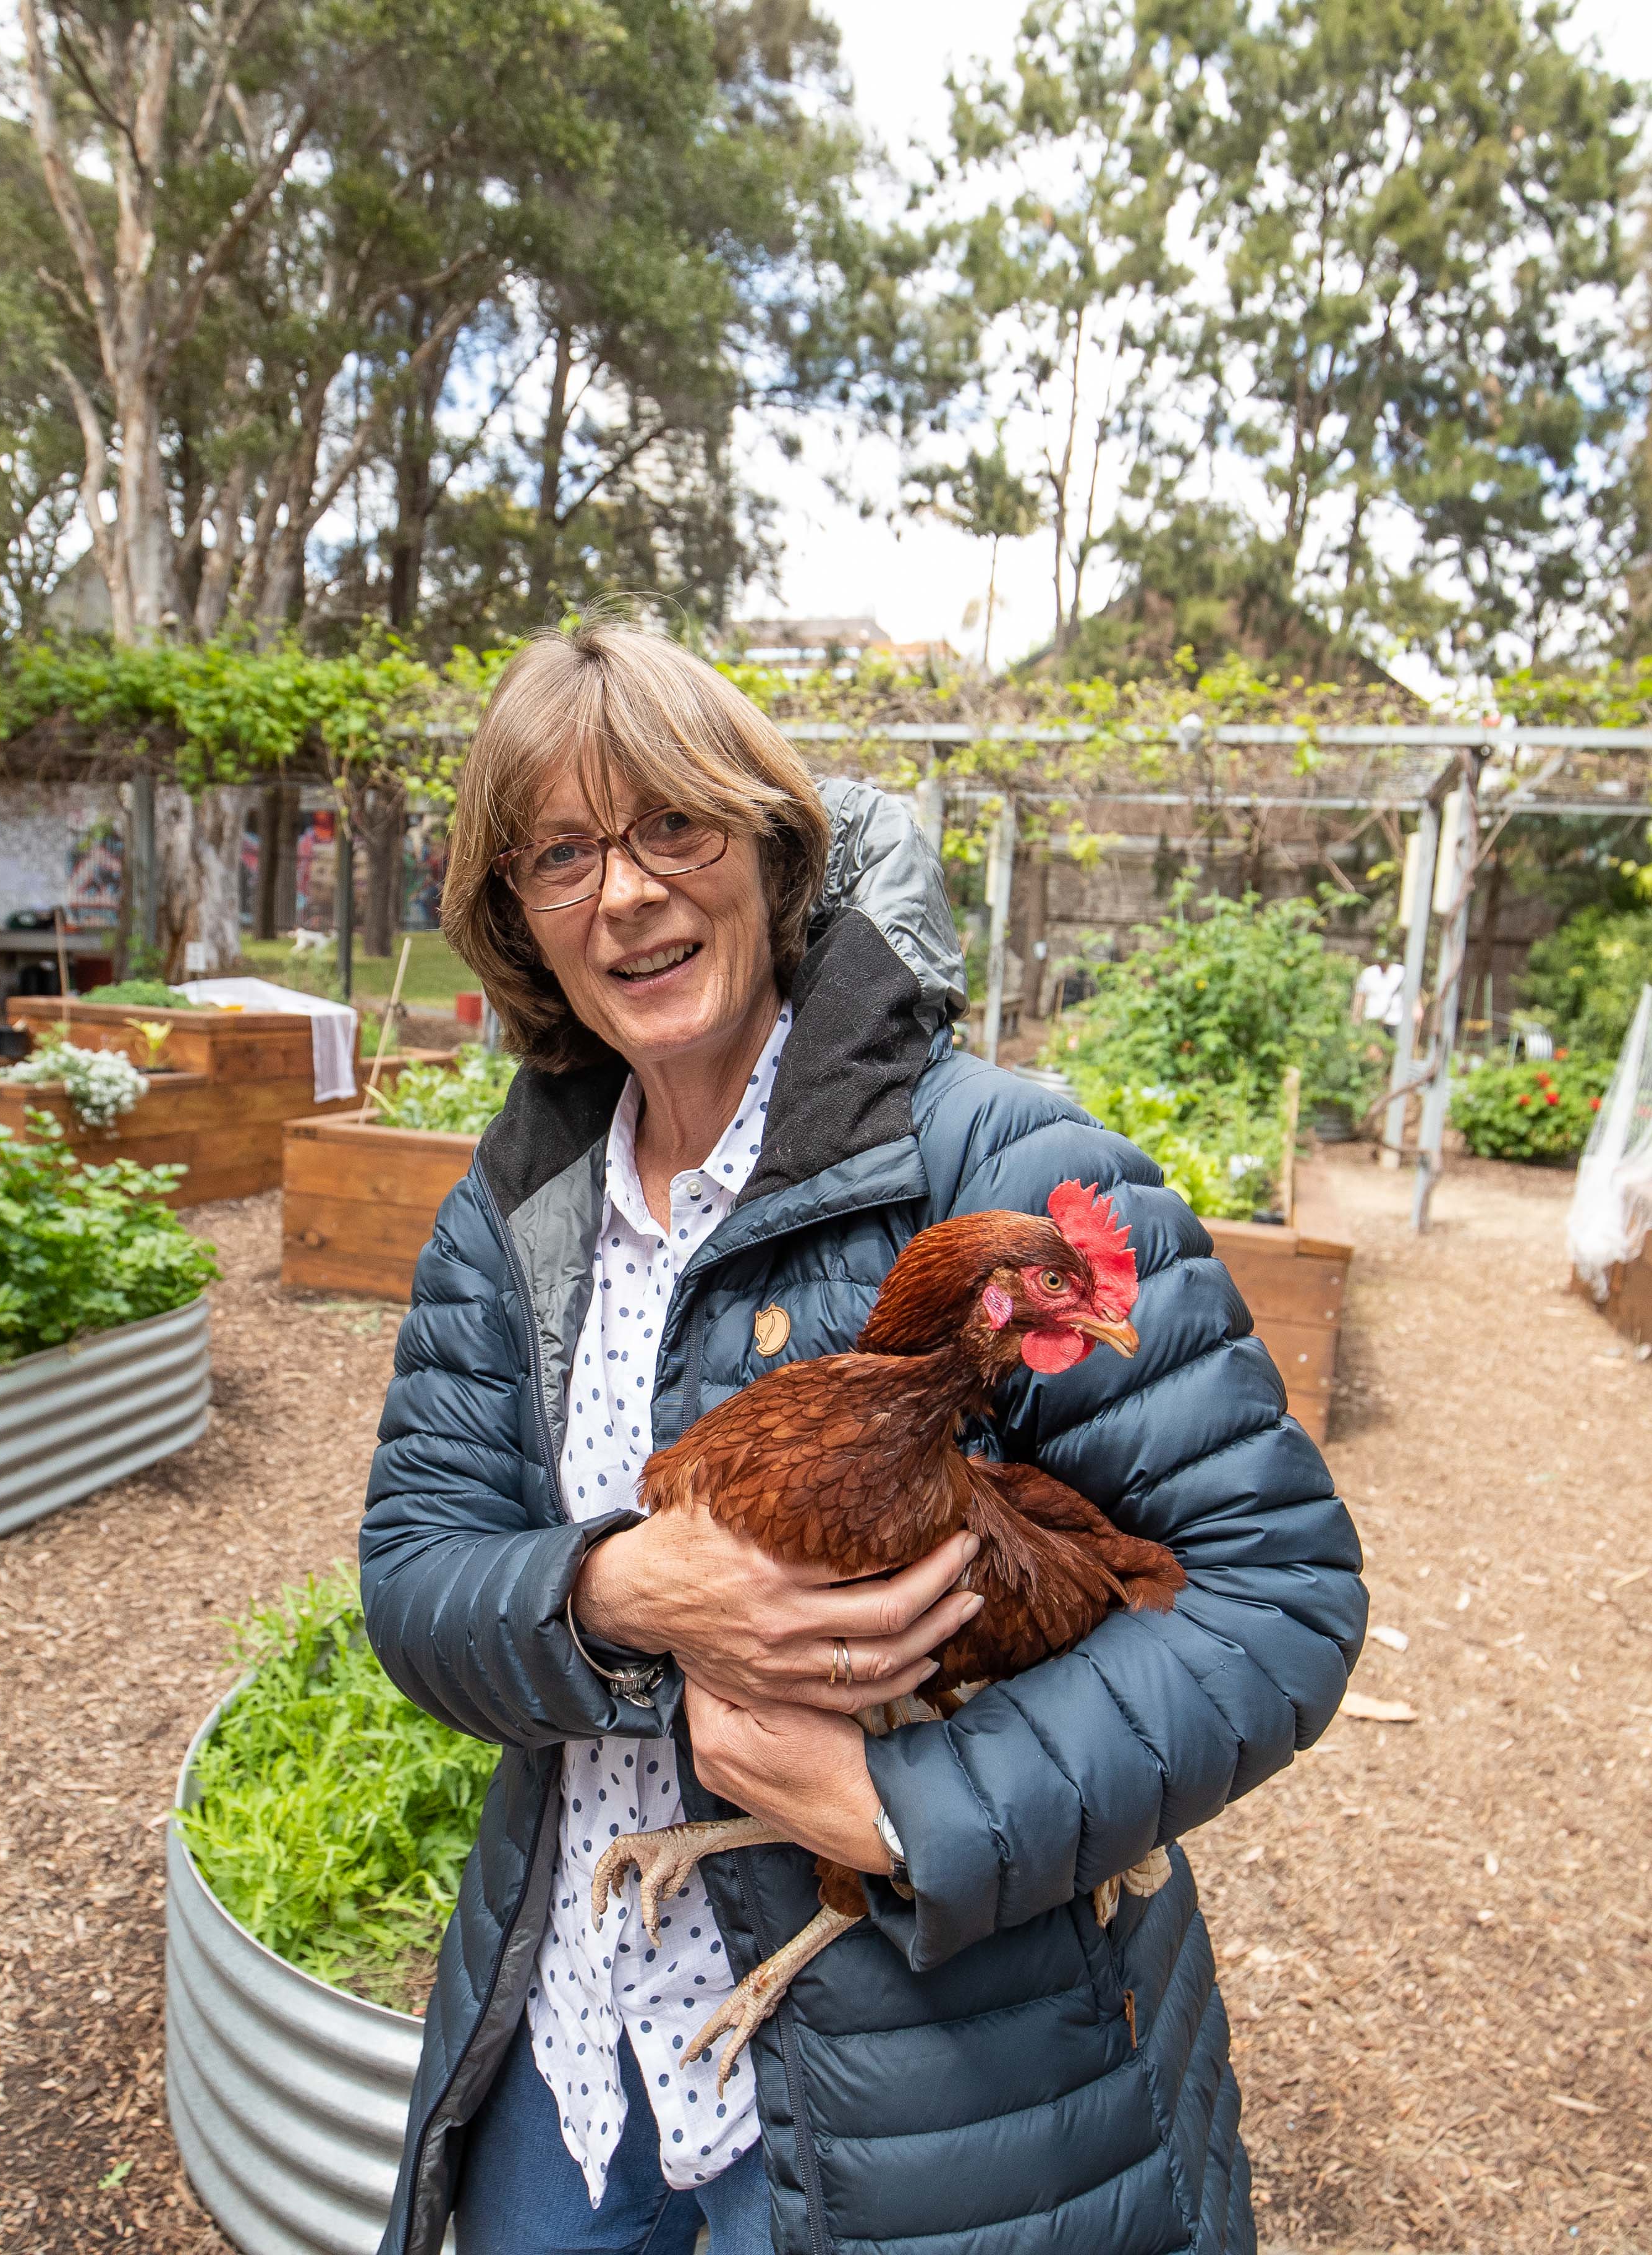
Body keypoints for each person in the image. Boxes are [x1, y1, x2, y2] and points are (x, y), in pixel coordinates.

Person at [357, 614, 1363, 2255]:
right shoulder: (516, 1214)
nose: (626, 892)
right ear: (520, 918)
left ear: (767, 840)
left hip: (926, 2079)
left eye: (674, 824)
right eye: (563, 855)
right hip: (577, 2025)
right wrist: (617, 1595)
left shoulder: (998, 1162)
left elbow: (1277, 1597)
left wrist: (911, 1814)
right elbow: (414, 1580)